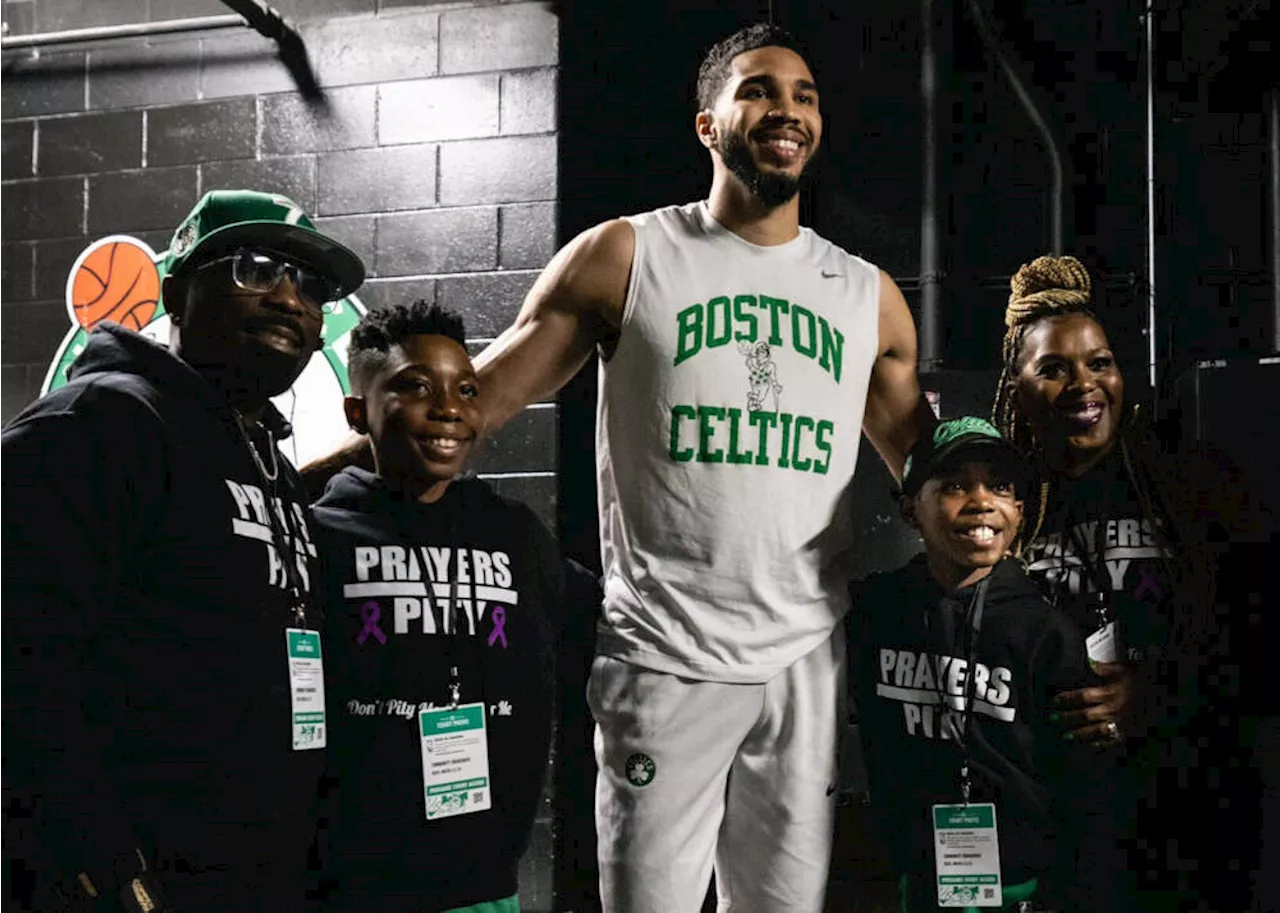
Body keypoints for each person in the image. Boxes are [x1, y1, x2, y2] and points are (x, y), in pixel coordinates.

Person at [304, 22, 934, 913]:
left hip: (803, 662)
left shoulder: (866, 295)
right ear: (708, 124)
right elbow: (467, 405)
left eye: (804, 94)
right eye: (757, 89)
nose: (785, 109)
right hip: (665, 653)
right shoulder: (628, 256)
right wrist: (295, 484)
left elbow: (941, 472)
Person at [0, 189, 365, 913]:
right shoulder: (99, 422)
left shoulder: (263, 461)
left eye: (311, 283)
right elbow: (18, 667)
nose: (291, 297)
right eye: (257, 268)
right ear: (176, 291)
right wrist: (96, 863)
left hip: (255, 873)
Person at [991, 253, 1272, 912]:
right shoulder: (1003, 507)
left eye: (1100, 362)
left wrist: (1158, 692)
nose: (1083, 384)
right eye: (1053, 368)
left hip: (1192, 822)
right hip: (1061, 835)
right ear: (1017, 389)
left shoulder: (1194, 486)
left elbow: (1259, 639)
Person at [311, 299, 583, 913]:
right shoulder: (321, 538)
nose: (449, 409)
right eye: (416, 387)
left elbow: (595, 633)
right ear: (359, 412)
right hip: (352, 885)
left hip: (485, 884)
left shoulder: (513, 533)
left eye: (466, 388)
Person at [849, 416, 1112, 913]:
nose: (982, 501)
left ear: (1018, 507)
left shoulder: (1045, 630)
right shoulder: (874, 610)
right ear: (910, 510)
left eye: (1000, 486)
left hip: (1026, 888)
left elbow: (1082, 784)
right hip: (914, 880)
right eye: (954, 485)